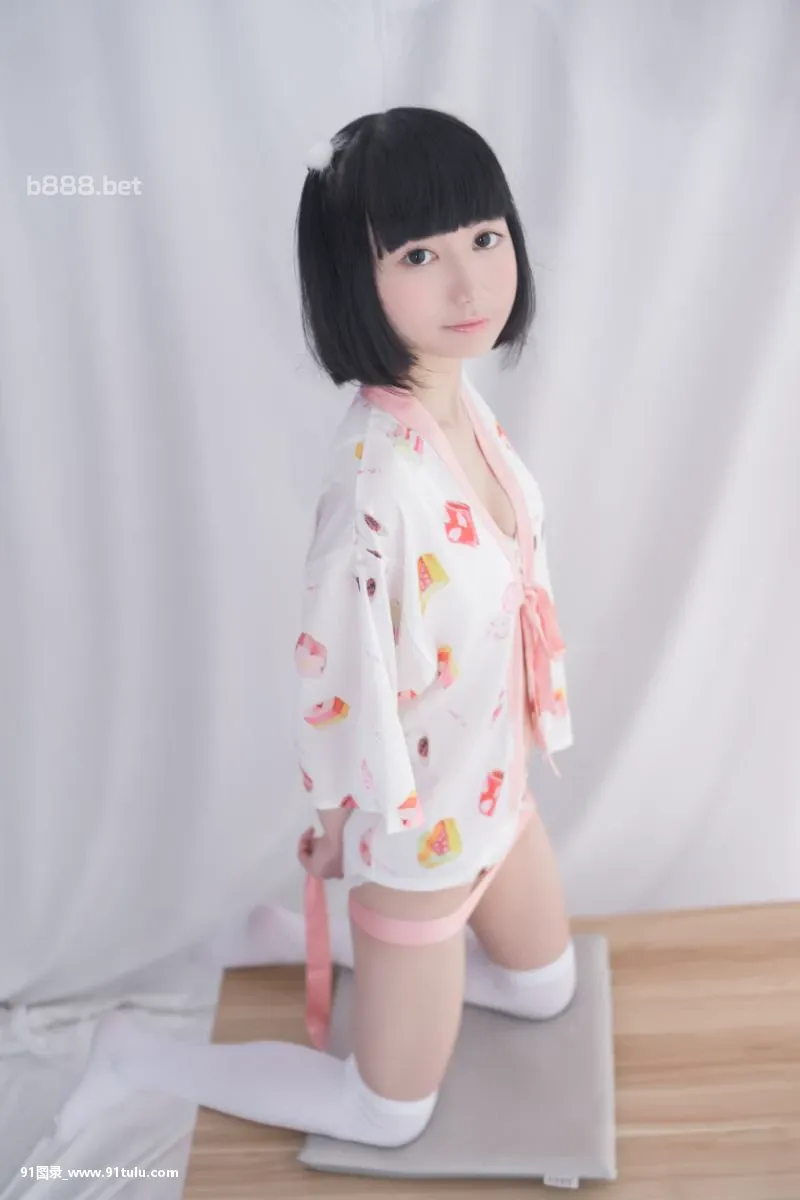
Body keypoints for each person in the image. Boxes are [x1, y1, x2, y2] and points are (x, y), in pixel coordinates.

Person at [54, 106, 577, 1151]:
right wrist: (340, 825)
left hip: (496, 795)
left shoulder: (463, 407)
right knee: (386, 1114)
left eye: (484, 237)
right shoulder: (377, 481)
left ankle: (345, 949)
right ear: (353, 277)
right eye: (418, 256)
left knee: (545, 989)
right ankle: (138, 1056)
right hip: (420, 837)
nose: (469, 284)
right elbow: (339, 674)